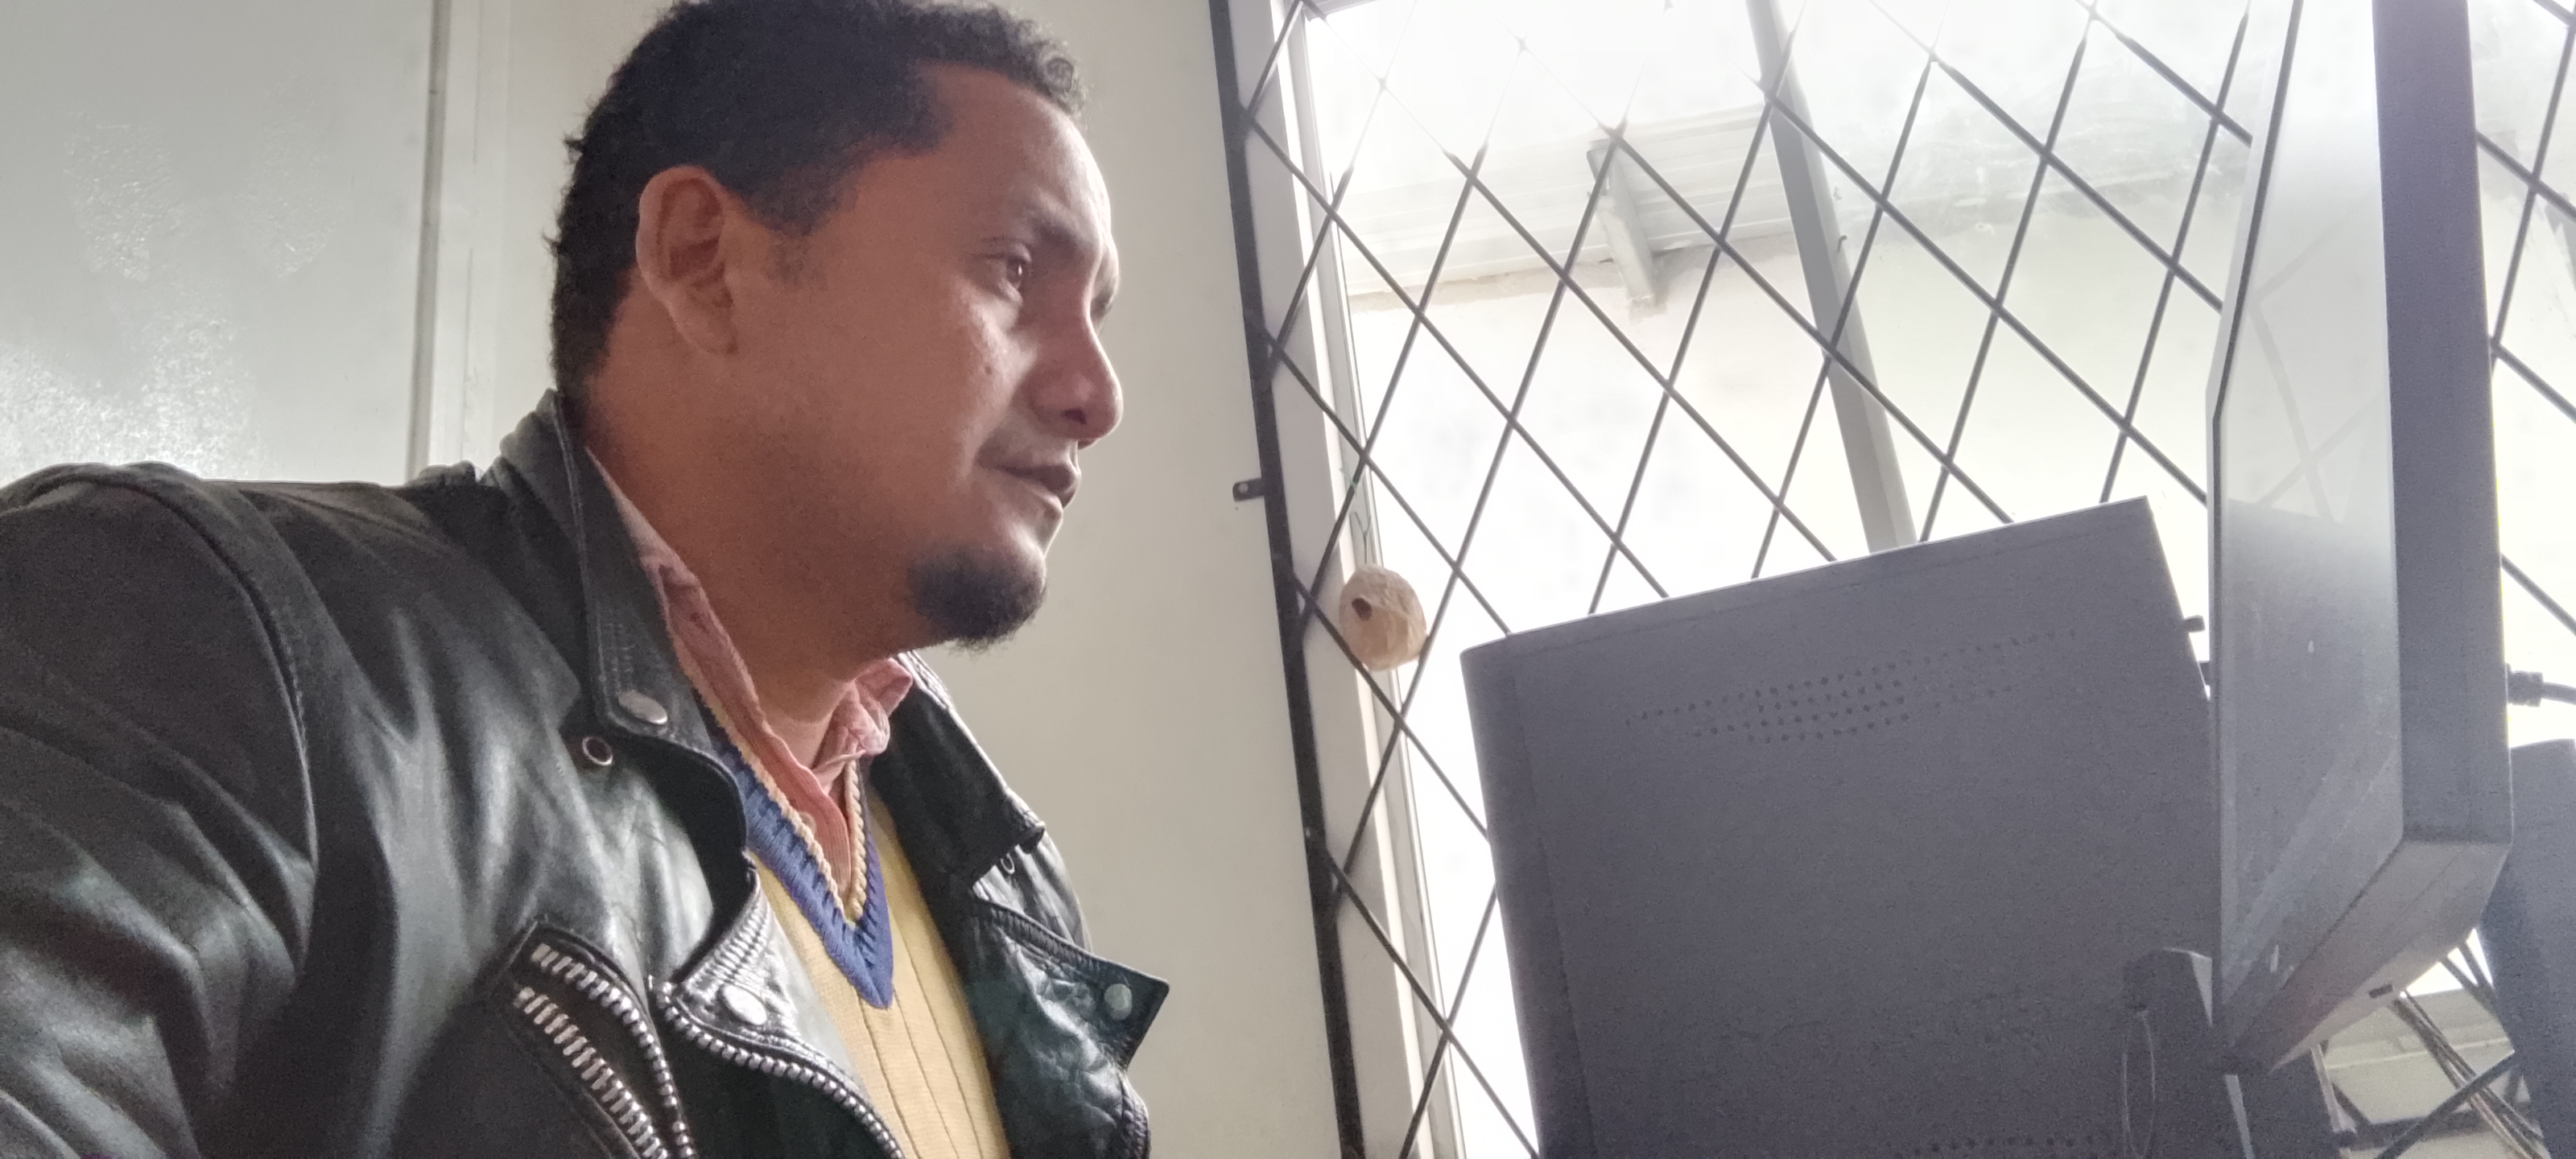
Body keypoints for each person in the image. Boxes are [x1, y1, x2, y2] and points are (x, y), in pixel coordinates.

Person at [0, 1, 1159, 1155]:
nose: (1099, 396)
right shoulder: (208, 633)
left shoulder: (1004, 872)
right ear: (703, 261)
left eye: (1097, 315)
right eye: (1015, 271)